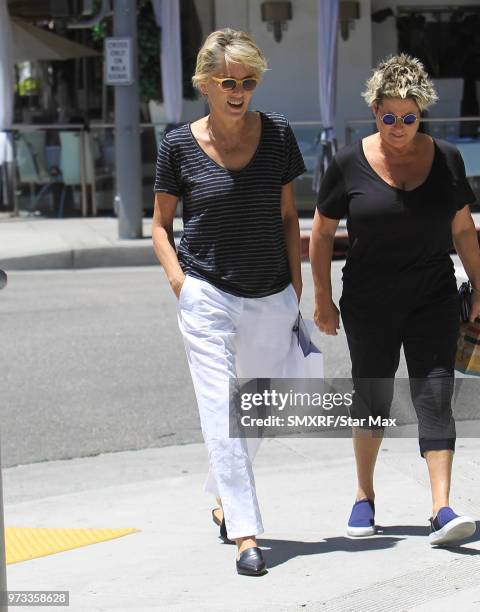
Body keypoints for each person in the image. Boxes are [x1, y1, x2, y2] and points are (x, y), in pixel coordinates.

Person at [152, 28, 305, 575]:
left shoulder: (280, 134)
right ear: (205, 84)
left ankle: (221, 495)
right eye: (227, 82)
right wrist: (181, 284)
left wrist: (296, 286)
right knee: (221, 410)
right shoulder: (177, 146)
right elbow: (161, 226)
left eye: (248, 81)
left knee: (259, 410)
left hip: (271, 292)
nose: (239, 91)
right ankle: (245, 532)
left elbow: (290, 218)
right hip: (207, 294)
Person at [310, 54, 480, 546]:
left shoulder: (446, 158)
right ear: (374, 112)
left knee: (436, 393)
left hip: (432, 296)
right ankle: (364, 497)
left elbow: (463, 230)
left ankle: (441, 507)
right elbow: (321, 235)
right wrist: (323, 298)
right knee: (372, 396)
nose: (399, 127)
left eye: (409, 117)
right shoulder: (347, 162)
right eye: (389, 117)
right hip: (369, 299)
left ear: (421, 113)